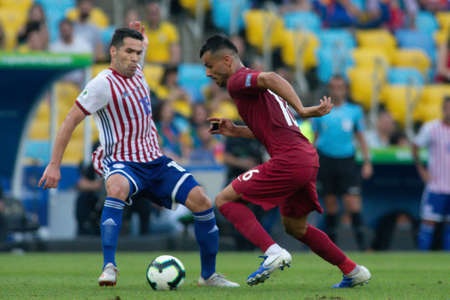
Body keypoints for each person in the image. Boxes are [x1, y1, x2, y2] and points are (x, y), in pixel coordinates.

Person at [38, 24, 238, 288]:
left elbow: (138, 46)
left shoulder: (138, 69)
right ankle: (109, 267)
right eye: (129, 52)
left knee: (201, 200)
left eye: (138, 52)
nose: (134, 57)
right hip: (121, 160)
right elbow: (69, 122)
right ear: (113, 52)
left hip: (154, 160)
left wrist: (139, 35)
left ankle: (209, 275)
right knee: (117, 186)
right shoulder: (102, 84)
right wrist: (54, 165)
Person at [200, 35, 371, 287]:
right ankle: (353, 271)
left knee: (223, 200)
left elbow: (270, 77)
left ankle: (273, 252)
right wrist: (236, 130)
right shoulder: (251, 88)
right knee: (295, 227)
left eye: (209, 66)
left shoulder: (238, 81)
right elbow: (270, 128)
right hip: (306, 158)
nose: (207, 73)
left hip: (289, 159)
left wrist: (302, 109)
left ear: (226, 61)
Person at [312, 75, 373, 251]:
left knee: (352, 202)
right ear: (329, 89)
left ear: (345, 89)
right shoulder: (321, 111)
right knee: (330, 204)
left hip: (347, 160)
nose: (336, 90)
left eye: (340, 87)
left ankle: (363, 246)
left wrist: (367, 162)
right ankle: (332, 248)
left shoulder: (354, 111)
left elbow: (361, 138)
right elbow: (315, 139)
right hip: (326, 159)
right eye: (333, 87)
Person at [412, 96, 450, 251]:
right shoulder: (431, 128)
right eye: (448, 108)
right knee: (428, 223)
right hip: (436, 186)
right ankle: (422, 258)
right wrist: (421, 169)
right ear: (443, 109)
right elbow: (415, 145)